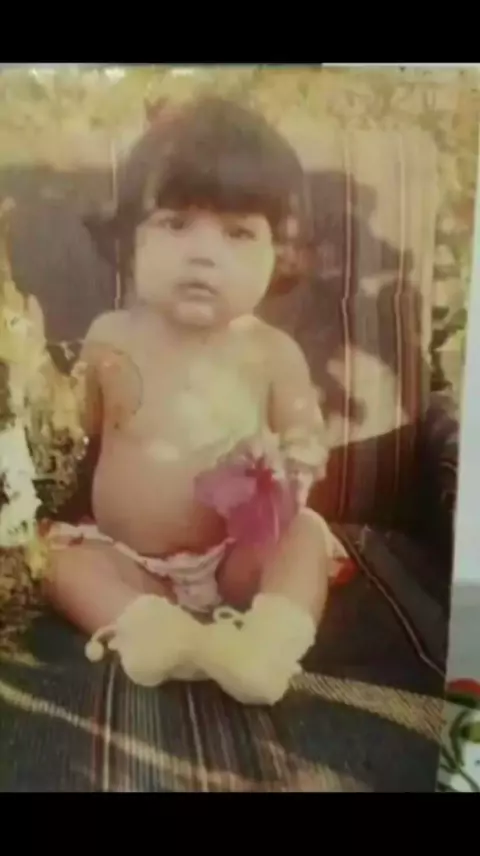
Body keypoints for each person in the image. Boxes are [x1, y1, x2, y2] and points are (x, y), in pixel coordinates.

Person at [43, 95, 334, 705]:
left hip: (234, 556)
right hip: (129, 560)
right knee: (58, 561)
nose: (203, 254)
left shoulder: (271, 352)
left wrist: (294, 466)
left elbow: (306, 440)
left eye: (237, 233)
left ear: (279, 255)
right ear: (130, 240)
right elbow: (79, 432)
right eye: (175, 224)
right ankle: (158, 635)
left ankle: (269, 645)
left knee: (305, 534)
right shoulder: (109, 337)